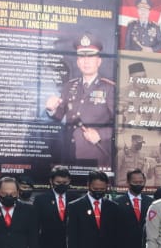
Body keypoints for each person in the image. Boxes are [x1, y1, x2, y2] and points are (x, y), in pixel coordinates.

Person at [45, 35, 115, 166]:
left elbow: (120, 125)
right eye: (82, 57)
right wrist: (51, 109)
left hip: (95, 156)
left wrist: (100, 134)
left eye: (91, 57)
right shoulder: (69, 86)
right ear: (77, 62)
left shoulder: (110, 88)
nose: (86, 61)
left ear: (99, 61)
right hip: (69, 155)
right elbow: (59, 115)